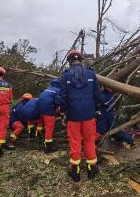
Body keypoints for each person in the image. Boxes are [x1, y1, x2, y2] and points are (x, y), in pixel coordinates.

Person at [57, 50, 102, 182]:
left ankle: (75, 172)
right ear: (80, 60)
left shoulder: (65, 77)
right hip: (89, 114)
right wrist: (98, 110)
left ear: (70, 61)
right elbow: (97, 95)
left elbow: (63, 97)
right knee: (89, 141)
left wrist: (63, 111)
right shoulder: (91, 74)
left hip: (73, 116)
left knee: (75, 142)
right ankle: (91, 169)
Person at [37, 79, 61, 154]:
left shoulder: (47, 90)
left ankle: (39, 137)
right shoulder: (57, 90)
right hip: (48, 110)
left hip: (39, 109)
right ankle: (48, 147)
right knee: (49, 128)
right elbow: (58, 102)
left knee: (43, 124)